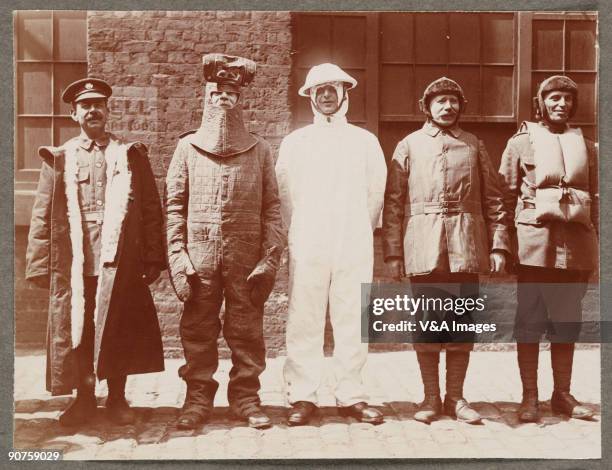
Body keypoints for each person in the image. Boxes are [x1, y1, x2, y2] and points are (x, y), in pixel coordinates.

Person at [25, 78, 166, 426]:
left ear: (107, 110)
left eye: (98, 105)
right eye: (85, 106)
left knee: (119, 327)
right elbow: (42, 215)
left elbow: (150, 209)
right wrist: (39, 264)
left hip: (120, 261)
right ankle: (84, 399)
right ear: (74, 114)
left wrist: (152, 257)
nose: (93, 111)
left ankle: (117, 399)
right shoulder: (60, 159)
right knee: (80, 331)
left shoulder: (129, 154)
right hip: (77, 262)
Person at [166, 54, 284, 430]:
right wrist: (177, 254)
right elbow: (173, 207)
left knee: (246, 328)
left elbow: (272, 208)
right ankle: (197, 399)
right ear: (207, 96)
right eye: (218, 92)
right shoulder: (186, 148)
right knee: (198, 328)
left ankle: (246, 399)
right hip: (199, 256)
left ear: (240, 99)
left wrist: (269, 256)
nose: (224, 99)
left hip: (246, 257)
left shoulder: (260, 150)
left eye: (232, 93)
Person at [382, 77, 510, 424]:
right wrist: (393, 254)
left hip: (466, 246)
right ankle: (429, 398)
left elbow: (494, 199)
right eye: (440, 100)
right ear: (427, 106)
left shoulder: (473, 146)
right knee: (426, 324)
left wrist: (499, 245)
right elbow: (393, 204)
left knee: (460, 324)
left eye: (453, 100)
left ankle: (456, 397)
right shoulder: (408, 145)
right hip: (423, 247)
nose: (447, 106)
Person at [276, 63, 387, 426]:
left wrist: (358, 230)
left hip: (353, 237)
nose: (326, 95)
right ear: (310, 97)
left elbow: (376, 195)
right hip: (308, 238)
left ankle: (350, 393)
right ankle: (303, 395)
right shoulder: (296, 143)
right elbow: (284, 195)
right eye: (318, 90)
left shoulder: (365, 142)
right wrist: (299, 235)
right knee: (304, 315)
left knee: (352, 314)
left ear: (344, 95)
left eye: (332, 89)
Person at [498, 75, 597, 422]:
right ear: (541, 103)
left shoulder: (586, 145)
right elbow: (503, 197)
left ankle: (563, 394)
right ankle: (529, 397)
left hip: (575, 248)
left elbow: (596, 199)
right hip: (535, 246)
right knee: (530, 321)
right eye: (554, 98)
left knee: (566, 323)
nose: (561, 104)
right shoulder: (520, 143)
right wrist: (502, 246)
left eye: (568, 99)